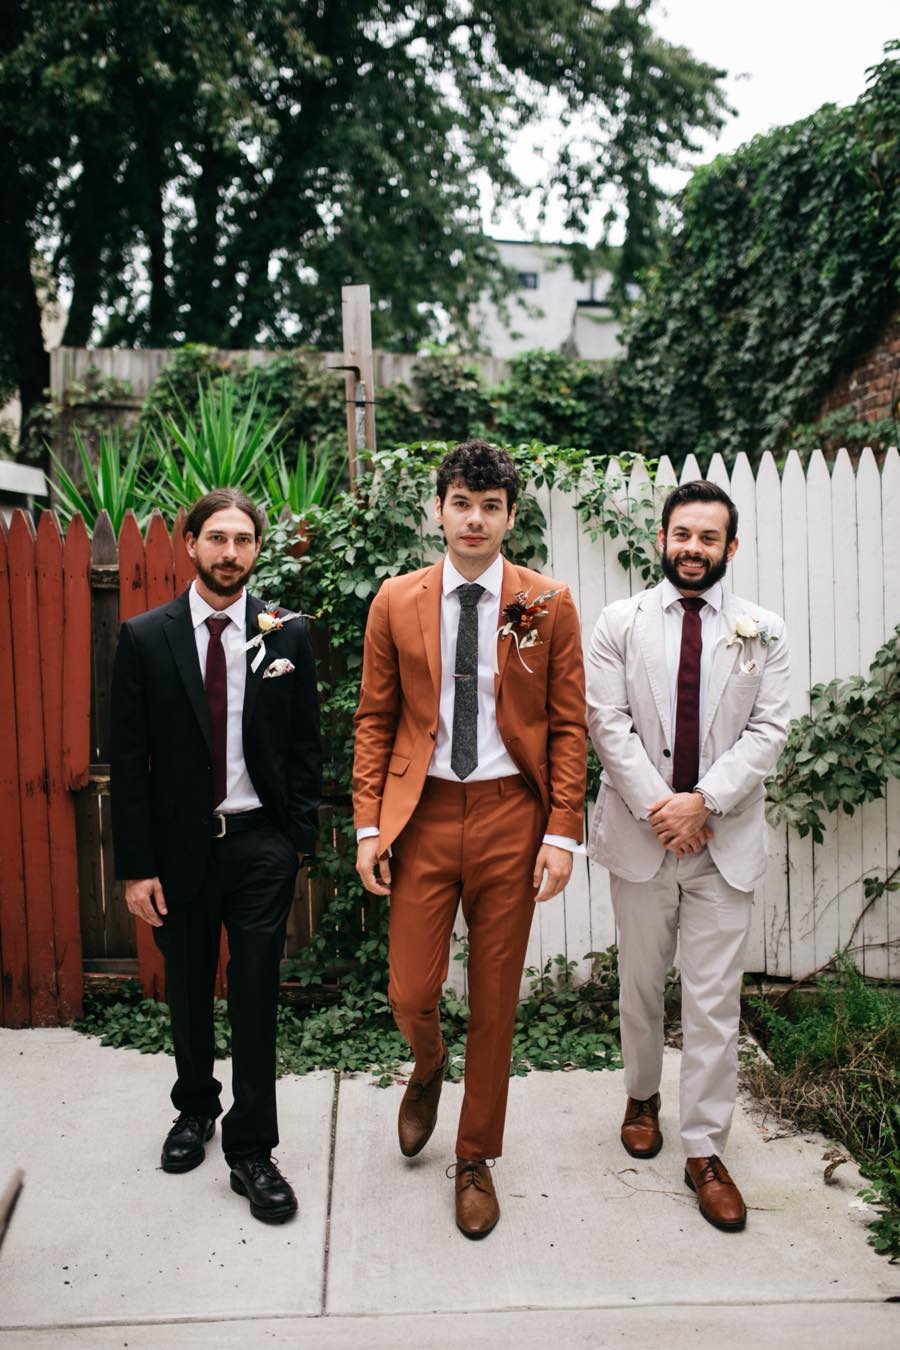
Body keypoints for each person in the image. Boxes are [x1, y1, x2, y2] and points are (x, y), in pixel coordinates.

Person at [353, 440, 586, 1239]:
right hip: (420, 816)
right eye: (462, 503)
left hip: (509, 819)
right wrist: (368, 824)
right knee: (410, 992)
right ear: (439, 510)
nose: (475, 519)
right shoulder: (395, 600)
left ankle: (476, 1154)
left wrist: (561, 831)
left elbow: (566, 728)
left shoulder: (546, 601)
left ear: (511, 517)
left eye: (491, 506)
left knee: (494, 1002)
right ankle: (426, 1065)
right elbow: (376, 720)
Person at [110, 488, 321, 1224]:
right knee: (191, 989)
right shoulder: (144, 637)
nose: (231, 553)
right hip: (178, 853)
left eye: (244, 540)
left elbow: (304, 748)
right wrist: (136, 868)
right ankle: (195, 1109)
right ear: (191, 543)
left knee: (257, 995)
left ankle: (252, 1149)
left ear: (256, 550)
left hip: (260, 844)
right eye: (217, 539)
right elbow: (128, 761)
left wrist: (296, 840)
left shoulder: (286, 635)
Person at [586, 480, 790, 1232]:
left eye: (708, 538)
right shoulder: (619, 622)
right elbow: (606, 724)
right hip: (642, 840)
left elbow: (768, 734)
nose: (693, 549)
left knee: (714, 1004)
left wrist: (702, 804)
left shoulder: (762, 630)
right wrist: (662, 811)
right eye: (682, 535)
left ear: (729, 547)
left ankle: (705, 1150)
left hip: (723, 845)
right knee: (640, 987)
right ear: (662, 539)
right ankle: (642, 1094)